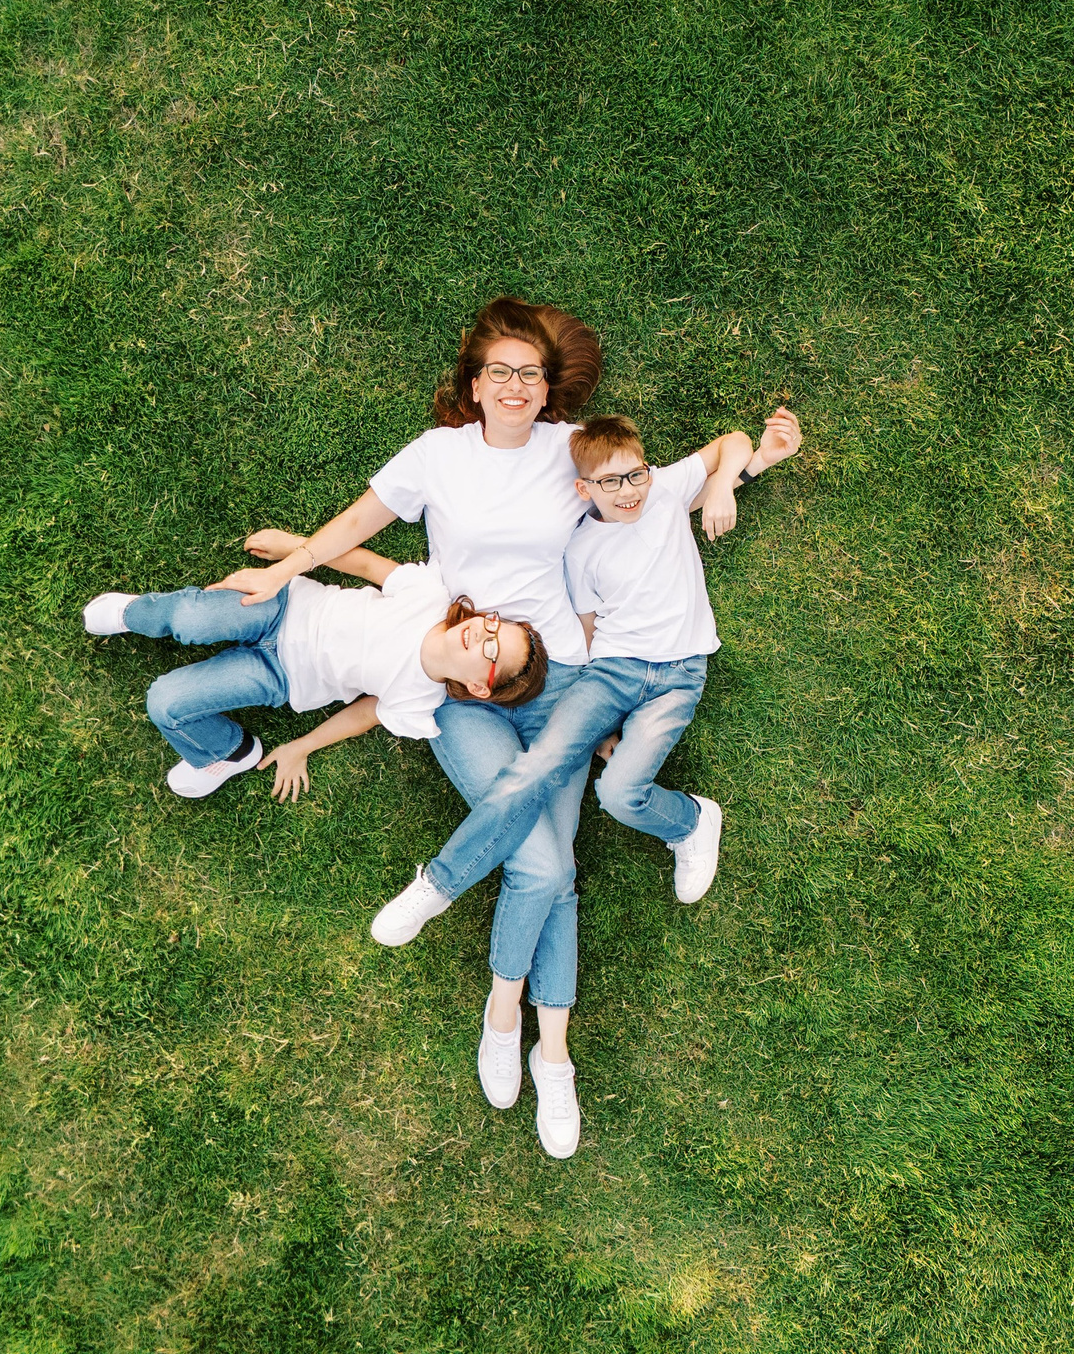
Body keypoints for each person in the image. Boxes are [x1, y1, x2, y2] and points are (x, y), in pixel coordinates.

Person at [217, 297, 602, 1158]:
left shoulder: (571, 453)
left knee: (555, 869)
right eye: (497, 371)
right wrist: (294, 564)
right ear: (474, 385)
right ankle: (521, 1029)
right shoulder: (439, 456)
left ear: (548, 391)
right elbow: (362, 526)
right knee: (542, 862)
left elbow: (651, 494)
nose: (513, 385)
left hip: (558, 673)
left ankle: (533, 1034)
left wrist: (742, 466)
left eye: (528, 374)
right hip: (465, 672)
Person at [367, 405, 803, 943]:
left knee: (621, 796)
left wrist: (729, 484)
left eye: (635, 475)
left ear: (649, 470)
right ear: (583, 490)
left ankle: (691, 821)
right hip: (610, 674)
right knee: (538, 764)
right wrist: (593, 721)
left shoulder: (664, 492)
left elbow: (733, 441)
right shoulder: (579, 549)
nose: (628, 491)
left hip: (680, 672)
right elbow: (589, 628)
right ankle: (439, 883)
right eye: (610, 482)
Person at [82, 556, 547, 799]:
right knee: (188, 618)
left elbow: (364, 714)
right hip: (284, 606)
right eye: (493, 625)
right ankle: (132, 612)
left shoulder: (418, 701)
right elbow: (364, 565)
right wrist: (292, 552)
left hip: (280, 675)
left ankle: (230, 752)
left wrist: (300, 746)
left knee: (165, 701)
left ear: (480, 687)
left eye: (492, 650)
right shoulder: (428, 596)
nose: (483, 632)